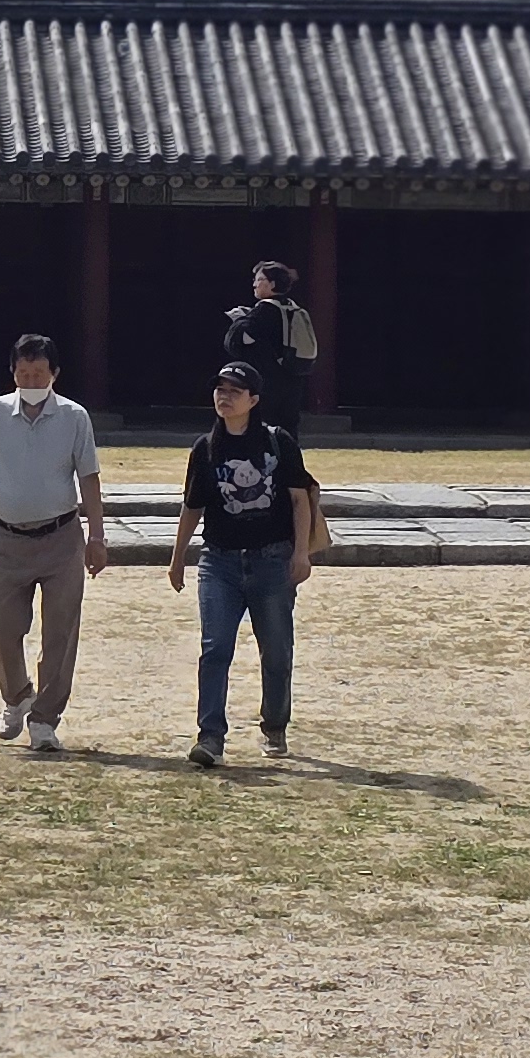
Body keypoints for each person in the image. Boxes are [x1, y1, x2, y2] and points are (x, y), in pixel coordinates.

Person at [0, 334, 108, 755]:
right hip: (7, 538)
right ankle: (17, 696)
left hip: (61, 538)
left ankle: (45, 718)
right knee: (2, 629)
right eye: (23, 374)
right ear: (13, 373)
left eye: (38, 374)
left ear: (54, 374)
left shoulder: (74, 417)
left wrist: (97, 536)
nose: (30, 381)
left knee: (60, 633)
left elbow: (89, 477)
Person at [170, 358, 322, 768]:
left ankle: (274, 724)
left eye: (234, 392)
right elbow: (192, 506)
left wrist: (301, 553)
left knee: (276, 649)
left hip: (271, 559)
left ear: (253, 400)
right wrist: (178, 557)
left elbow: (299, 499)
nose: (225, 397)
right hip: (218, 562)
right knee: (215, 648)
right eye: (220, 390)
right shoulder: (205, 448)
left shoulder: (277, 443)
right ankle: (210, 736)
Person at [222, 261, 322, 432]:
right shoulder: (292, 308)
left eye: (259, 279)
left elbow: (234, 344)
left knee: (263, 427)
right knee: (288, 428)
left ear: (272, 284)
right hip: (293, 376)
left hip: (267, 381)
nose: (255, 284)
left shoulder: (264, 311)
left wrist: (239, 320)